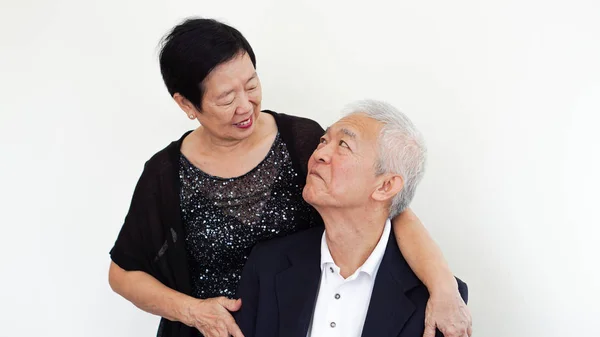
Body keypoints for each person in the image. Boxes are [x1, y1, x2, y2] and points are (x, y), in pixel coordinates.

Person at [108, 18, 472, 337]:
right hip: (209, 330)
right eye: (225, 97)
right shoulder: (165, 173)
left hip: (298, 316)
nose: (245, 105)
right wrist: (194, 312)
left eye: (251, 85)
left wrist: (443, 287)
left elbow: (384, 206)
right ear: (187, 105)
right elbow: (123, 273)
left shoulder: (302, 141)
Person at [234, 100, 468, 337]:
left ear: (386, 185)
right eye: (323, 141)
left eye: (344, 145)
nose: (319, 154)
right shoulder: (268, 265)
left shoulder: (440, 302)